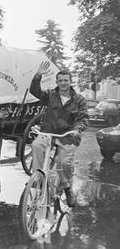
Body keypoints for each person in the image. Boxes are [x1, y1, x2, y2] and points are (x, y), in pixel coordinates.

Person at [30, 61, 89, 207]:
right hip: (48, 132)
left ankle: (67, 186)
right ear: (56, 82)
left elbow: (83, 118)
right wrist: (38, 76)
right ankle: (38, 179)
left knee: (62, 162)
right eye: (60, 80)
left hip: (67, 136)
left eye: (66, 80)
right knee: (36, 145)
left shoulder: (79, 100)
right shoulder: (50, 95)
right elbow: (35, 92)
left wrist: (77, 129)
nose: (63, 83)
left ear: (70, 82)